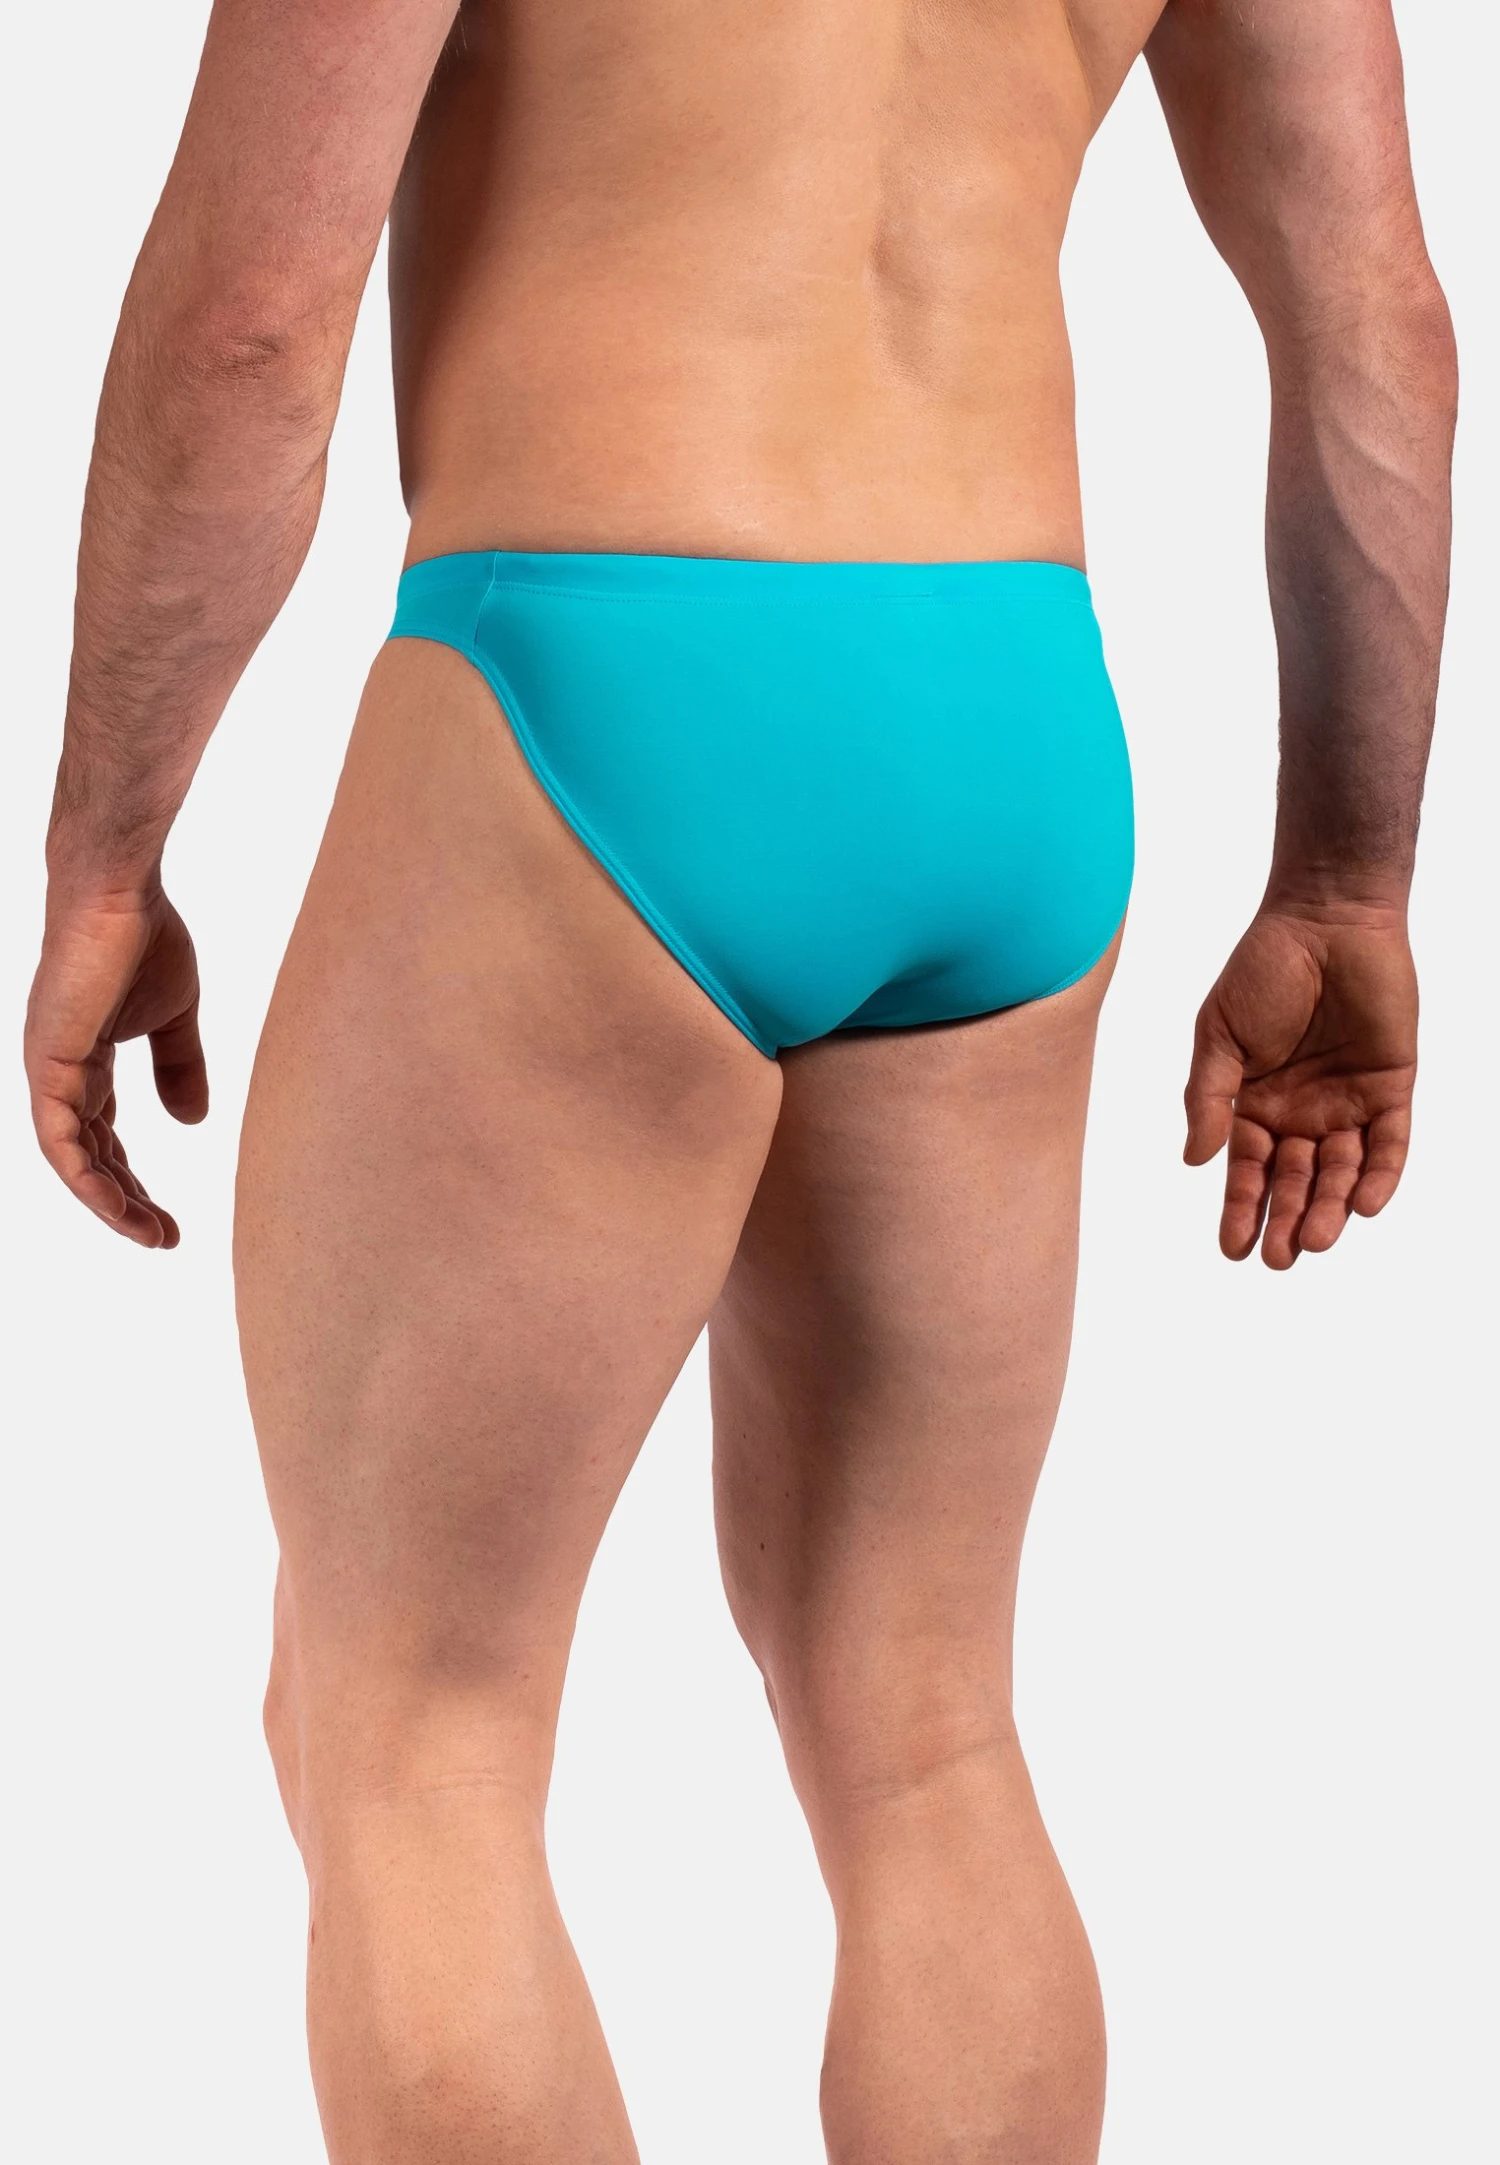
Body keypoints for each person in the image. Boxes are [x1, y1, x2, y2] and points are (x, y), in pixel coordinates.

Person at [23, 0, 1454, 2156]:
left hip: (596, 670)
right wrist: (1346, 876)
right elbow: (1377, 329)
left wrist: (104, 855)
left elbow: (247, 322)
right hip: (1006, 718)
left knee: (408, 1733)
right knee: (925, 1722)